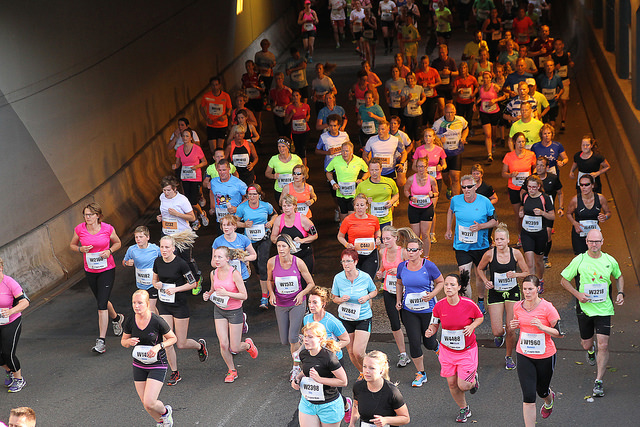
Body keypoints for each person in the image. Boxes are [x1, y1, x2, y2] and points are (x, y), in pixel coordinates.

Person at [560, 229, 624, 398]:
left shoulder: (610, 260)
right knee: (587, 344)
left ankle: (598, 381)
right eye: (591, 241)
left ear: (602, 241)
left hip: (604, 309)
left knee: (603, 345)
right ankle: (590, 351)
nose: (594, 244)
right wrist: (578, 295)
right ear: (586, 242)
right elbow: (563, 280)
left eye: (597, 241)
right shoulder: (579, 260)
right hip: (585, 309)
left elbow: (619, 276)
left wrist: (620, 292)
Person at [425, 272, 483, 423]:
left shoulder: (468, 304)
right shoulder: (439, 306)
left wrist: (472, 326)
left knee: (463, 385)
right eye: (446, 284)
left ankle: (473, 380)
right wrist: (431, 329)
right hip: (447, 351)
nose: (448, 287)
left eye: (452, 285)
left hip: (466, 351)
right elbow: (434, 322)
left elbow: (480, 317)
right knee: (452, 383)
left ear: (459, 287)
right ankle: (464, 408)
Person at [69, 202, 124, 354]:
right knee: (102, 300)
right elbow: (72, 245)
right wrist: (80, 249)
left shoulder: (107, 228)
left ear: (98, 216)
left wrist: (110, 251)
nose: (87, 217)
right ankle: (117, 318)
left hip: (107, 269)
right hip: (90, 269)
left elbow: (118, 242)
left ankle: (101, 341)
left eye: (91, 215)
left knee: (101, 305)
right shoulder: (80, 229)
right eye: (85, 215)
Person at [152, 235, 206, 386]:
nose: (164, 250)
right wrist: (156, 285)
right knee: (168, 341)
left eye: (167, 247)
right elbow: (154, 280)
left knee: (181, 343)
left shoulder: (181, 264)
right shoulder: (157, 261)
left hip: (180, 305)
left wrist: (175, 289)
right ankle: (175, 372)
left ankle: (200, 346)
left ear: (173, 248)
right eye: (162, 247)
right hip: (164, 305)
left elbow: (193, 284)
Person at [510, 275, 563, 426]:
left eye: (530, 289)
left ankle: (549, 399)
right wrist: (515, 325)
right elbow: (519, 323)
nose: (527, 292)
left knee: (542, 391)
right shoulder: (518, 306)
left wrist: (542, 327)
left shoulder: (547, 308)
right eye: (525, 289)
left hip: (545, 356)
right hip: (524, 354)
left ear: (538, 289)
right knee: (528, 395)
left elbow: (560, 333)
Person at [477, 224, 529, 370]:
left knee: (511, 328)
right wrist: (486, 281)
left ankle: (508, 356)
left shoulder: (516, 254)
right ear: (494, 241)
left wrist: (516, 275)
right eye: (497, 239)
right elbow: (480, 268)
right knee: (497, 330)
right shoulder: (489, 254)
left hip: (512, 292)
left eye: (502, 239)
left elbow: (526, 272)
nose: (499, 242)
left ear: (508, 240)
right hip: (495, 292)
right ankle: (500, 335)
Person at [121, 290, 177, 426]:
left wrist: (159, 346)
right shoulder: (130, 320)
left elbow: (173, 338)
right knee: (145, 404)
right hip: (139, 364)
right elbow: (123, 341)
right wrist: (129, 342)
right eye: (134, 303)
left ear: (147, 304)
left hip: (157, 363)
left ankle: (165, 412)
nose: (136, 306)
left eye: (140, 303)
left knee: (149, 401)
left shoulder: (157, 321)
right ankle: (161, 422)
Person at [203, 246, 259, 383]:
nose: (216, 259)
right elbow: (212, 289)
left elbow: (244, 295)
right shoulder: (213, 273)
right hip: (219, 310)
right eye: (215, 256)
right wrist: (208, 294)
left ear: (227, 259)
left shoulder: (234, 274)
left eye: (220, 257)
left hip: (234, 311)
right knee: (223, 344)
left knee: (234, 347)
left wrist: (227, 293)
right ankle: (232, 370)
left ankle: (248, 345)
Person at [395, 238, 444, 387]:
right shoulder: (402, 266)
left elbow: (441, 282)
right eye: (408, 249)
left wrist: (431, 294)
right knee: (414, 342)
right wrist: (398, 300)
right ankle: (421, 373)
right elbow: (399, 283)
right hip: (409, 310)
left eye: (414, 250)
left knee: (429, 342)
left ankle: (440, 351)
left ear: (421, 251)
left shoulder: (429, 266)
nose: (410, 252)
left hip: (428, 310)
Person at [445, 175, 497, 312]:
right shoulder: (456, 200)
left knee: (480, 276)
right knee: (464, 277)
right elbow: (450, 211)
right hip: (462, 246)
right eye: (464, 187)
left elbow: (494, 221)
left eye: (469, 186)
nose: (466, 189)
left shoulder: (485, 201)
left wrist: (481, 226)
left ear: (475, 187)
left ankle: (480, 300)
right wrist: (448, 229)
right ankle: (468, 305)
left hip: (481, 246)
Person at [268, 235, 315, 380]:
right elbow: (268, 280)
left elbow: (311, 283)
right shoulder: (272, 262)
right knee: (285, 340)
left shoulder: (298, 262)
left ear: (290, 247)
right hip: (281, 304)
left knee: (292, 337)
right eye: (278, 246)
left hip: (297, 303)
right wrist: (271, 294)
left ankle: (295, 367)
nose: (281, 249)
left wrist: (302, 294)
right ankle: (300, 339)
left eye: (284, 246)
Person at [303, 287, 352, 420]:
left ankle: (345, 406)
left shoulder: (332, 322)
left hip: (333, 361)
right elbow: (306, 339)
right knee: (319, 390)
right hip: (316, 360)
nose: (311, 306)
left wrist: (330, 349)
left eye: (315, 302)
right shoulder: (307, 319)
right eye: (309, 302)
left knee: (333, 393)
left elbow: (346, 339)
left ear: (323, 304)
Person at [291, 322, 349, 427]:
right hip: (308, 403)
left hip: (328, 405)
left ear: (320, 339)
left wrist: (319, 379)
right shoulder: (303, 354)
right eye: (305, 336)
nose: (306, 340)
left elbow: (343, 381)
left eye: (310, 337)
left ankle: (346, 404)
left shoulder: (329, 357)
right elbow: (306, 371)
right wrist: (297, 379)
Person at [332, 248, 378, 377]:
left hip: (363, 317)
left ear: (356, 262)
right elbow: (333, 297)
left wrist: (367, 298)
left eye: (349, 261)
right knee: (351, 352)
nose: (346, 264)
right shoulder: (338, 278)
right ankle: (363, 373)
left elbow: (374, 291)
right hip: (345, 318)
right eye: (343, 261)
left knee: (358, 352)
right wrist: (340, 299)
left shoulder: (365, 277)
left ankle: (373, 371)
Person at [156, 176, 202, 293]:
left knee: (186, 260)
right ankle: (175, 283)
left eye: (168, 190)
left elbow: (192, 217)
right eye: (164, 190)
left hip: (182, 235)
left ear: (175, 189)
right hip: (167, 234)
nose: (166, 193)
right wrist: (160, 217)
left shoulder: (182, 200)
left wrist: (177, 214)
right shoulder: (162, 197)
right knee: (169, 259)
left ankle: (196, 279)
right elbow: (165, 212)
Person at [235, 184, 277, 309]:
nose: (252, 196)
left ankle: (265, 295)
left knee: (263, 263)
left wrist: (270, 222)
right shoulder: (242, 207)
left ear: (259, 195)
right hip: (249, 239)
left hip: (264, 238)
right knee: (256, 265)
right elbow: (235, 222)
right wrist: (244, 224)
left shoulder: (266, 206)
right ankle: (268, 283)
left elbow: (275, 214)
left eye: (254, 194)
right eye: (249, 194)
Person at [376, 227, 410, 368]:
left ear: (396, 238)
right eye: (384, 239)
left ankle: (416, 348)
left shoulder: (403, 252)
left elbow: (413, 269)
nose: (386, 241)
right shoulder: (382, 251)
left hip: (404, 292)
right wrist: (380, 272)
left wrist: (399, 270)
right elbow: (383, 266)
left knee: (408, 322)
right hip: (389, 291)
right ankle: (403, 354)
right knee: (394, 323)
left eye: (388, 238)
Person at [349, 350, 410, 427]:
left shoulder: (392, 392)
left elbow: (406, 418)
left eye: (372, 368)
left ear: (381, 370)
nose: (367, 371)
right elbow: (356, 405)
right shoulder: (358, 386)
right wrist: (352, 423)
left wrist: (386, 420)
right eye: (365, 366)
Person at [523, 156, 564, 268]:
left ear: (547, 167)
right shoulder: (530, 179)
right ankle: (534, 252)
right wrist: (524, 206)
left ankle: (544, 257)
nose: (539, 167)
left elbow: (560, 193)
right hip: (534, 213)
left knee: (548, 234)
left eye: (542, 165)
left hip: (547, 210)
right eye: (538, 165)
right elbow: (523, 192)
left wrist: (561, 207)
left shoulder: (553, 178)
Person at [518, 175, 555, 289]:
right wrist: (521, 212)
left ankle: (540, 279)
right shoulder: (525, 196)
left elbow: (552, 216)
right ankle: (532, 287)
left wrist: (542, 213)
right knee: (529, 262)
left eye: (534, 187)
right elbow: (522, 207)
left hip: (540, 233)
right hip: (527, 232)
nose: (531, 190)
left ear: (539, 187)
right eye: (529, 187)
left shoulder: (545, 198)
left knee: (538, 261)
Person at [412, 128, 447, 244]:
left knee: (431, 207)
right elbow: (413, 167)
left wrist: (440, 167)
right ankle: (422, 233)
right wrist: (420, 170)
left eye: (430, 136)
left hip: (436, 180)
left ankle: (431, 234)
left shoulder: (439, 150)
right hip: (422, 181)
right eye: (426, 136)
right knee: (421, 206)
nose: (428, 138)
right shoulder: (419, 150)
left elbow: (444, 164)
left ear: (434, 137)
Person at [0, 258, 30, 393]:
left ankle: (19, 379)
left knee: (8, 352)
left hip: (11, 321)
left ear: (0, 268)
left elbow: (25, 302)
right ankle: (9, 370)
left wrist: (10, 311)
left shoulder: (9, 282)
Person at [338, 193, 381, 281]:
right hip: (354, 254)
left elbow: (377, 231)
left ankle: (367, 294)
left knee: (367, 279)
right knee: (354, 280)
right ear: (354, 207)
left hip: (370, 253)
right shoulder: (348, 220)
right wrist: (347, 244)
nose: (359, 207)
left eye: (362, 205)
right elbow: (340, 236)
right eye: (357, 205)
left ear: (366, 206)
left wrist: (378, 238)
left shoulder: (373, 219)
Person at [271, 194, 319, 275]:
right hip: (287, 257)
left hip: (304, 254)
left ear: (294, 206)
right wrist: (278, 239)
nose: (286, 208)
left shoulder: (303, 219)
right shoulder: (279, 220)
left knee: (305, 282)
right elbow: (273, 238)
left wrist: (302, 240)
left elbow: (315, 235)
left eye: (289, 205)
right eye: (284, 206)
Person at [566, 174, 612, 255]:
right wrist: (574, 223)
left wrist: (605, 217)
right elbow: (568, 213)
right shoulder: (575, 200)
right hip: (579, 234)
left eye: (587, 184)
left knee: (594, 256)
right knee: (580, 258)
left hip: (594, 235)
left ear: (593, 185)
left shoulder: (600, 198)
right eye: (581, 185)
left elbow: (608, 213)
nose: (584, 187)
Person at [502, 132, 536, 239]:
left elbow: (535, 168)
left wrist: (533, 175)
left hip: (528, 189)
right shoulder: (509, 156)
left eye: (523, 142)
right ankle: (520, 235)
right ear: (514, 143)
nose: (521, 144)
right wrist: (511, 174)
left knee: (529, 212)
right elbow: (503, 174)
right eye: (519, 142)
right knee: (518, 214)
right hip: (514, 189)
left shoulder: (531, 155)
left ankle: (530, 234)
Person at [172, 129, 208, 230]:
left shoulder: (196, 149)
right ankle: (195, 220)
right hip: (185, 177)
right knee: (187, 201)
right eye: (183, 136)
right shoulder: (179, 149)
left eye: (187, 136)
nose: (185, 138)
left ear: (191, 137)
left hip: (195, 177)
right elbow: (178, 163)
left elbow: (204, 162)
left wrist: (197, 166)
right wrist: (175, 166)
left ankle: (202, 213)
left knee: (193, 201)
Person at [326, 141, 370, 222]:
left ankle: (351, 233)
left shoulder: (359, 161)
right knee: (344, 218)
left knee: (351, 218)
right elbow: (328, 172)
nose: (344, 153)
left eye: (347, 151)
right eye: (342, 151)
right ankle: (343, 230)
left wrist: (362, 180)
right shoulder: (336, 160)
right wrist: (333, 183)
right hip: (340, 194)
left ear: (351, 152)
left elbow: (367, 171)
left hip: (353, 195)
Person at [123, 226, 162, 314]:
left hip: (152, 284)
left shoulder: (155, 249)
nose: (138, 239)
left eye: (141, 237)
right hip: (141, 284)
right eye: (136, 237)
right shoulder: (132, 250)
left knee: (150, 309)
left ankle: (154, 326)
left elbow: (164, 259)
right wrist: (126, 263)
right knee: (147, 308)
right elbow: (124, 261)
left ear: (148, 237)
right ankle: (160, 322)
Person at [212, 214, 257, 290]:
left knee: (241, 299)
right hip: (224, 277)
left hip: (242, 275)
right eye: (224, 225)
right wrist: (221, 261)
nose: (225, 227)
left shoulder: (243, 239)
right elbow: (213, 263)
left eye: (228, 225)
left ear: (235, 226)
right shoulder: (218, 241)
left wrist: (243, 258)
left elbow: (254, 256)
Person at [433, 102, 469, 198]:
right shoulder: (438, 123)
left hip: (456, 152)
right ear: (444, 112)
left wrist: (463, 137)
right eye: (448, 112)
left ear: (455, 111)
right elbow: (431, 136)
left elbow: (466, 128)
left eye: (452, 112)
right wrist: (439, 141)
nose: (450, 115)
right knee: (445, 177)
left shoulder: (460, 120)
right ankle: (449, 187)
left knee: (456, 177)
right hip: (443, 154)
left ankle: (455, 201)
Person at [404, 158, 438, 255]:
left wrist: (433, 195)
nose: (421, 169)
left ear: (426, 167)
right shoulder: (411, 179)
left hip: (427, 208)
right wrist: (410, 197)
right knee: (415, 236)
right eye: (419, 166)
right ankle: (416, 256)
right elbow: (405, 190)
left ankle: (426, 256)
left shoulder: (431, 180)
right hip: (414, 208)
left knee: (425, 234)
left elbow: (437, 192)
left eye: (423, 166)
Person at [356, 160, 400, 229]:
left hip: (386, 219)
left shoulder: (389, 182)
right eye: (372, 170)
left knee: (385, 239)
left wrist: (391, 201)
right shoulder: (362, 185)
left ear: (381, 169)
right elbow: (356, 202)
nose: (374, 172)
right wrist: (365, 202)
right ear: (368, 170)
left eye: (376, 170)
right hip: (369, 219)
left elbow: (396, 194)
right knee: (371, 239)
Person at [477, 70, 506, 162]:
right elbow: (480, 97)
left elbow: (504, 96)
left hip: (494, 112)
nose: (485, 80)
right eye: (484, 78)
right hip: (483, 112)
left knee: (493, 133)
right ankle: (489, 154)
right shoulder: (480, 88)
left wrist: (495, 100)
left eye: (487, 78)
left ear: (490, 79)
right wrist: (475, 103)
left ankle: (493, 143)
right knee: (487, 134)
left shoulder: (495, 87)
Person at [266, 137, 304, 205]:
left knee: (294, 209)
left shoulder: (296, 158)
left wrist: (302, 186)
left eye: (283, 146)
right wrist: (273, 176)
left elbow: (303, 172)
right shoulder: (274, 159)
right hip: (280, 189)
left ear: (288, 147)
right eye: (279, 146)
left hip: (294, 189)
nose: (281, 149)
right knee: (283, 209)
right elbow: (267, 173)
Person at [209, 160, 248, 225]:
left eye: (224, 170)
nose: (222, 173)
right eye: (220, 170)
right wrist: (212, 207)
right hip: (220, 220)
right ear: (217, 170)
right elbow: (211, 192)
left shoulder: (238, 183)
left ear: (229, 169)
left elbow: (249, 197)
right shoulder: (213, 182)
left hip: (235, 220)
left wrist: (238, 209)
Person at [200, 76, 232, 151]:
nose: (215, 87)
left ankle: (220, 162)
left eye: (216, 85)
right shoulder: (206, 96)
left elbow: (230, 108)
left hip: (222, 125)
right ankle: (215, 161)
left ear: (220, 85)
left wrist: (226, 115)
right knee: (213, 149)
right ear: (210, 86)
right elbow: (201, 108)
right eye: (213, 85)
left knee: (220, 148)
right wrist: (206, 119)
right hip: (211, 125)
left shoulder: (226, 96)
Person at [551, 39, 574, 131]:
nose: (558, 47)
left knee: (564, 101)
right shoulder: (552, 56)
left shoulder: (566, 55)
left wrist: (571, 63)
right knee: (555, 101)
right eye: (556, 45)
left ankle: (563, 121)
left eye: (560, 44)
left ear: (563, 45)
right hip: (555, 81)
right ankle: (553, 120)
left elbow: (569, 62)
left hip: (564, 80)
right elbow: (547, 68)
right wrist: (554, 68)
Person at [285, 90, 312, 166]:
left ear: (300, 96)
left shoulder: (306, 106)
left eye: (297, 95)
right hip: (295, 132)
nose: (295, 97)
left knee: (303, 148)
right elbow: (286, 122)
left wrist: (308, 117)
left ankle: (304, 167)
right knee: (297, 150)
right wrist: (291, 114)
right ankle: (298, 166)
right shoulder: (290, 108)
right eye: (294, 96)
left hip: (305, 131)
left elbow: (308, 114)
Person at [452, 63, 479, 137]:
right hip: (460, 102)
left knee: (469, 117)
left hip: (469, 101)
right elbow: (453, 91)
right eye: (461, 68)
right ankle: (462, 133)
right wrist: (458, 92)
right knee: (461, 118)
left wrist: (474, 94)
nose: (463, 70)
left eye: (464, 68)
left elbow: (477, 87)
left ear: (467, 69)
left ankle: (469, 130)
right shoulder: (457, 79)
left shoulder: (472, 78)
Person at [432, 44, 458, 116]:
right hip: (440, 88)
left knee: (449, 107)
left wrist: (449, 72)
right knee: (441, 106)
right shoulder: (435, 62)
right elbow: (431, 73)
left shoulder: (451, 61)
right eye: (440, 53)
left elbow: (457, 72)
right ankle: (441, 120)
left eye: (443, 52)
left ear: (447, 52)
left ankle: (449, 121)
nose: (441, 54)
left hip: (449, 87)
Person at [400, 72, 426, 143]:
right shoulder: (404, 90)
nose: (410, 80)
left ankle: (418, 151)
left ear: (414, 79)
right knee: (410, 135)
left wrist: (421, 101)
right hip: (408, 115)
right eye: (408, 79)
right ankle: (412, 151)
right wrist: (408, 99)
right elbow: (402, 105)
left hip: (418, 114)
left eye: (411, 78)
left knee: (417, 135)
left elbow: (424, 96)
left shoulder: (419, 88)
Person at [536, 60, 563, 127]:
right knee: (543, 124)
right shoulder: (540, 78)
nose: (549, 67)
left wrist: (558, 95)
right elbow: (537, 88)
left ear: (553, 67)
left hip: (553, 104)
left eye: (551, 65)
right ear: (544, 67)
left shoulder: (557, 78)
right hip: (543, 105)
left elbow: (562, 88)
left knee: (552, 123)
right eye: (547, 66)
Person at [241, 60, 265, 134]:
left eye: (249, 66)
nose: (247, 68)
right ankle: (250, 134)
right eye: (246, 66)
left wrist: (256, 87)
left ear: (252, 66)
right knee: (249, 118)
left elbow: (263, 89)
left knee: (257, 119)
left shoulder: (258, 76)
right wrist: (243, 88)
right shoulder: (244, 76)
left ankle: (259, 134)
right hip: (248, 100)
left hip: (257, 99)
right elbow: (242, 88)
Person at [270, 72, 293, 136]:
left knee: (287, 131)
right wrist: (273, 104)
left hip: (286, 114)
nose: (278, 81)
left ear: (283, 79)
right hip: (277, 113)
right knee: (280, 131)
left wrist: (287, 105)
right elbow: (269, 102)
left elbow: (293, 101)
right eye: (276, 79)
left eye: (279, 79)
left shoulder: (287, 90)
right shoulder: (272, 91)